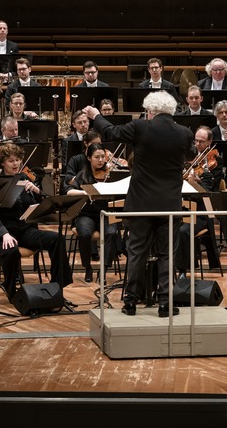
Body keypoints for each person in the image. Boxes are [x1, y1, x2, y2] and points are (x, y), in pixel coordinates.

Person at [83, 91, 194, 317]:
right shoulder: (184, 132)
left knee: (136, 253)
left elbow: (110, 132)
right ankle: (165, 304)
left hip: (141, 204)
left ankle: (131, 302)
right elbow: (191, 154)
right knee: (166, 255)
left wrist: (96, 116)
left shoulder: (141, 127)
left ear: (150, 111)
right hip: (170, 205)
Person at [0, 143, 72, 294]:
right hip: (3, 232)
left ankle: (57, 286)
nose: (16, 163)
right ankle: (10, 288)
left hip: (25, 230)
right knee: (11, 250)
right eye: (10, 161)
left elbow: (45, 203)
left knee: (57, 238)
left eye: (17, 160)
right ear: (2, 163)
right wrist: (4, 233)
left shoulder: (24, 177)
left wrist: (36, 190)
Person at [65, 143, 122, 282]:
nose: (101, 160)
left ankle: (104, 269)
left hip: (107, 214)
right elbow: (68, 191)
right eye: (97, 157)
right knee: (84, 233)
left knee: (112, 233)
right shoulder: (83, 174)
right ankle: (88, 267)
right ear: (89, 158)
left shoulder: (112, 175)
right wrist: (84, 192)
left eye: (103, 157)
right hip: (87, 214)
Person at [175, 126, 222, 282]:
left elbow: (204, 196)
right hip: (178, 211)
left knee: (183, 231)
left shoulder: (206, 174)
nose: (197, 144)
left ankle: (182, 270)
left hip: (198, 215)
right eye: (195, 141)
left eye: (201, 142)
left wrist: (194, 184)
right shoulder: (180, 167)